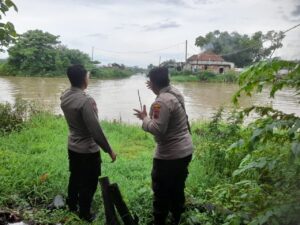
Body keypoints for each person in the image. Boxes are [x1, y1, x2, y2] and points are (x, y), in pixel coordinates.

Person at [134, 67, 193, 225]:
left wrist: (145, 118)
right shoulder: (175, 93)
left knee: (161, 190)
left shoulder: (161, 102)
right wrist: (155, 86)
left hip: (169, 156)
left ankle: (159, 220)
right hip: (185, 151)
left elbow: (157, 130)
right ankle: (176, 217)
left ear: (153, 83)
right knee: (177, 186)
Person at [60, 64, 117, 222]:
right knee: (89, 183)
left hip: (73, 145)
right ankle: (85, 214)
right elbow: (95, 131)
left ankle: (71, 205)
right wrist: (109, 150)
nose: (89, 78)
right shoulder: (86, 101)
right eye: (88, 76)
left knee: (75, 176)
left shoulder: (65, 96)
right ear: (84, 79)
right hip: (88, 150)